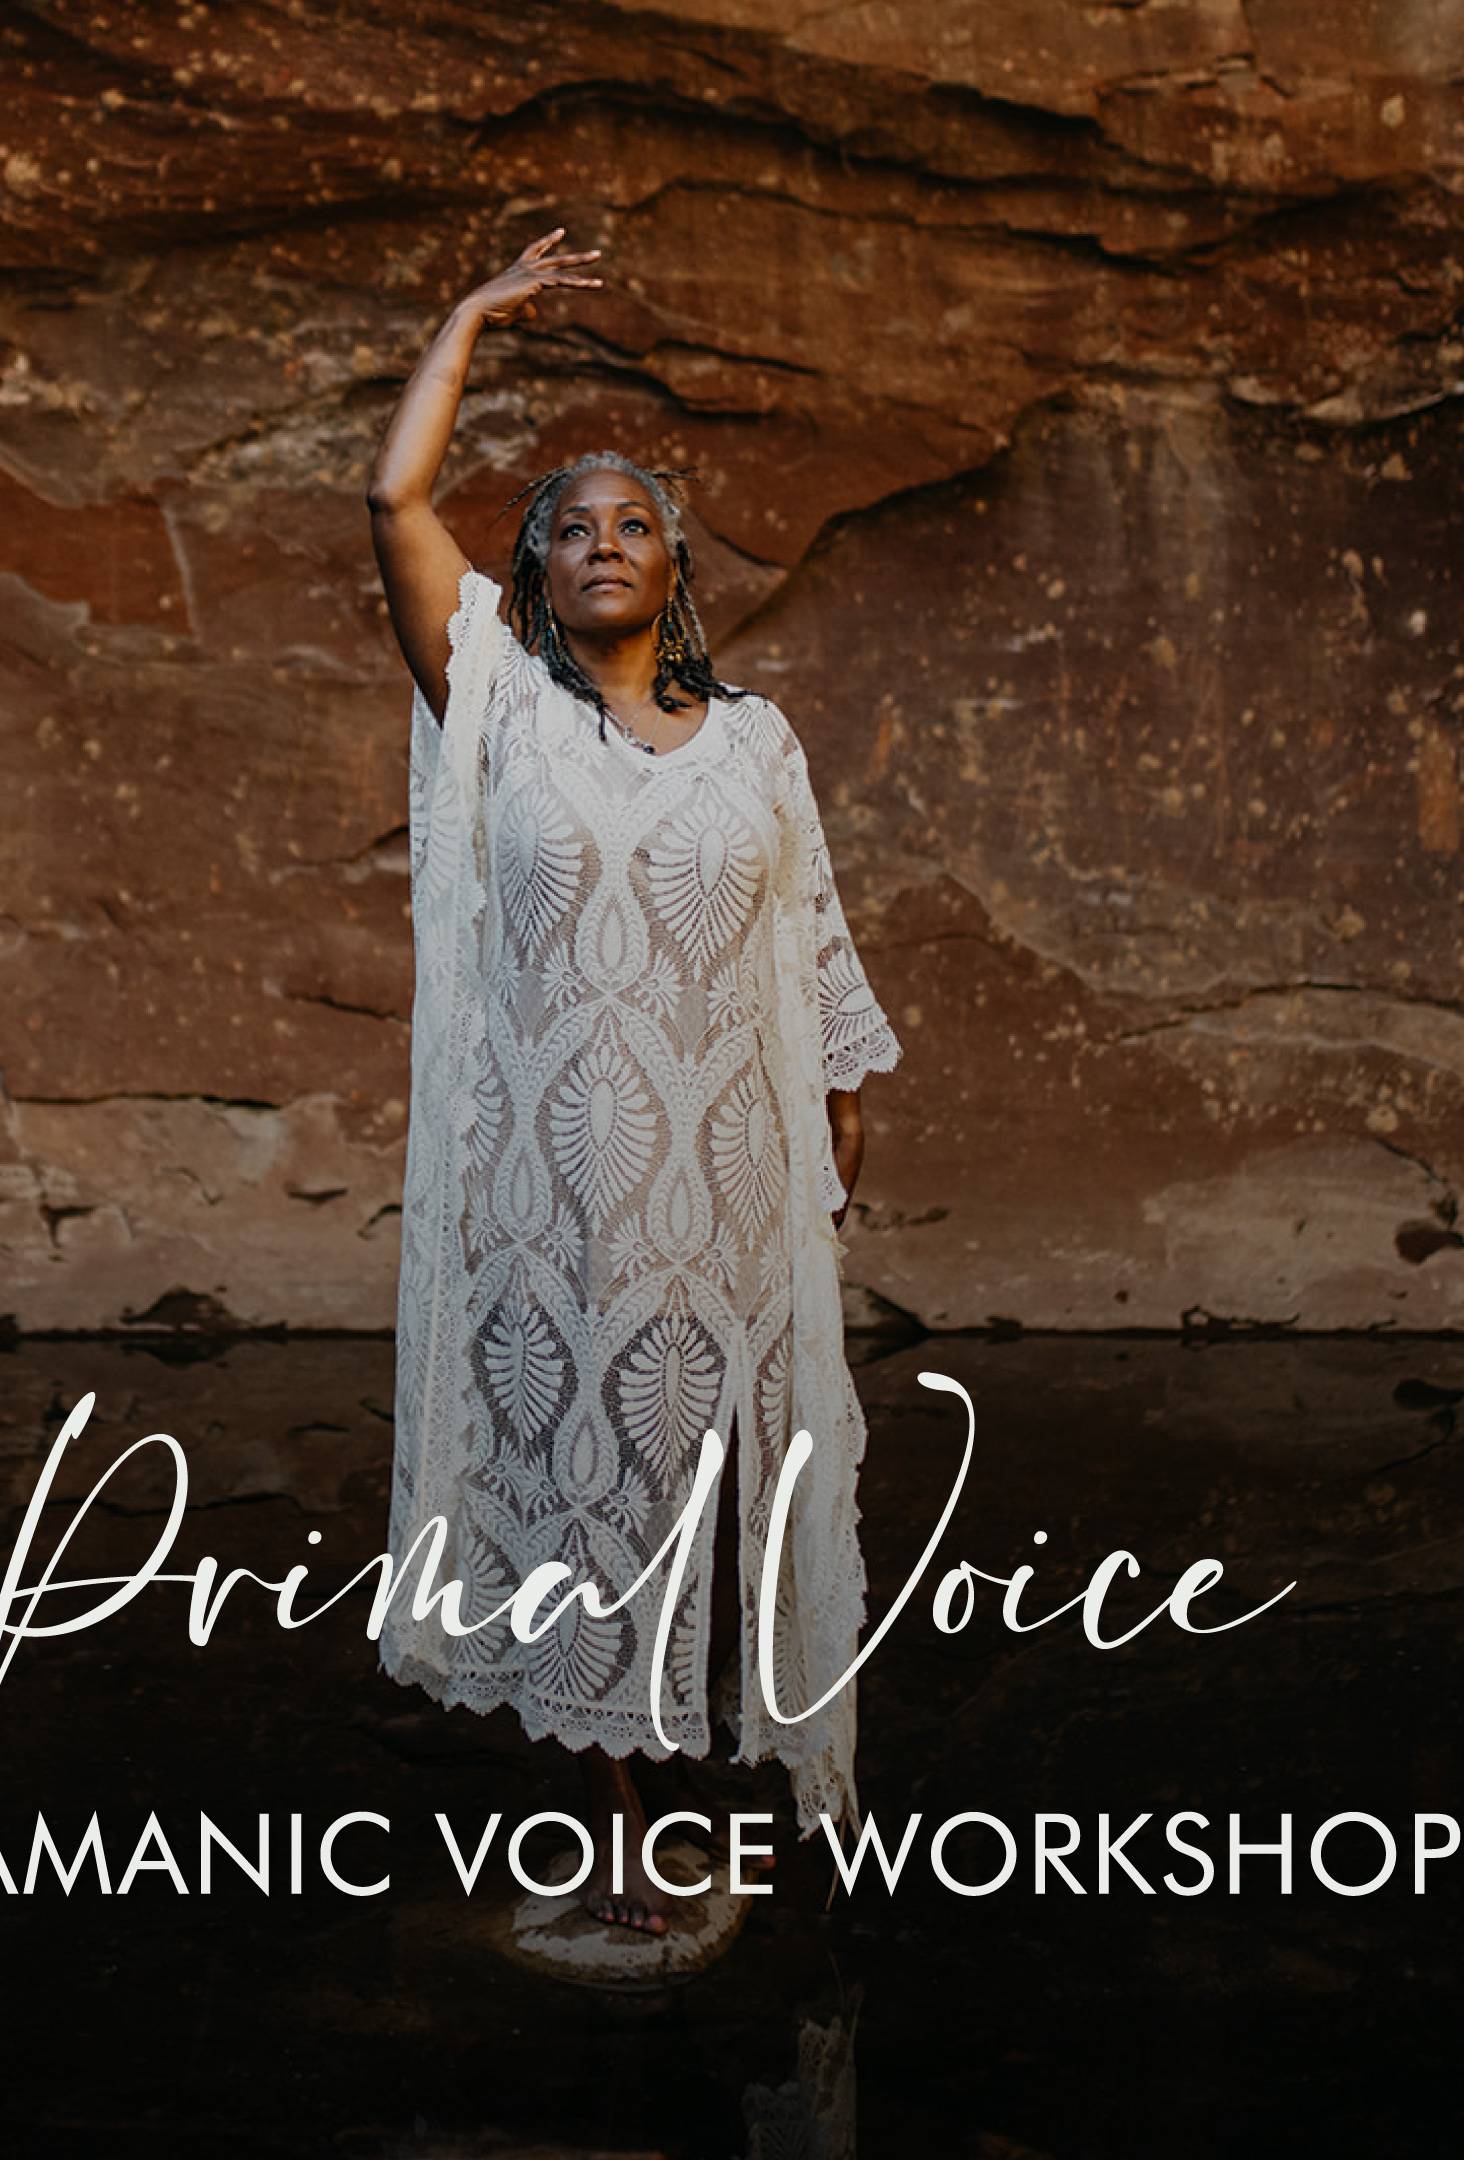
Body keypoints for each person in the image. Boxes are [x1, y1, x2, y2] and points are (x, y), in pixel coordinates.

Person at [365, 229, 902, 1935]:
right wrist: (466, 322)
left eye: (633, 523)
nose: (601, 542)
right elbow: (391, 505)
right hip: (547, 1190)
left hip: (721, 1182)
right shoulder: (499, 712)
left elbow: (805, 932)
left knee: (695, 1484)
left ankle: (668, 1800)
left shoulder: (755, 741)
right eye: (569, 528)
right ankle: (611, 1825)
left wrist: (838, 1107)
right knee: (573, 1498)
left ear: (673, 568)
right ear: (532, 576)